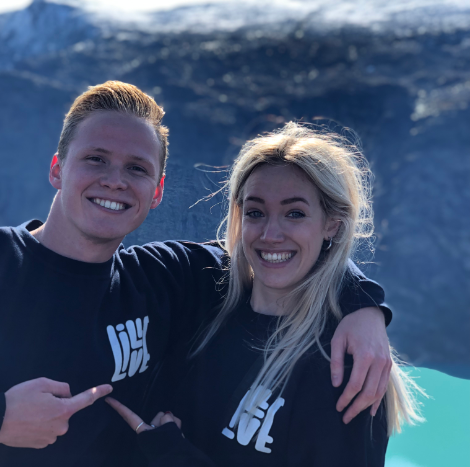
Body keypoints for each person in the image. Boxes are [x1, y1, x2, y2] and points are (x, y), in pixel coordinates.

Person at [0, 83, 391, 467]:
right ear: (58, 167)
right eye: (96, 159)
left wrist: (361, 304)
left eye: (137, 169)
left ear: (155, 191)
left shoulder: (168, 279)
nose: (115, 181)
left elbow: (272, 248)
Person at [107, 122, 423, 466]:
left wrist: (174, 456)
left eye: (295, 213)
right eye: (256, 212)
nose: (271, 234)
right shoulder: (203, 297)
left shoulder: (343, 363)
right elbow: (90, 269)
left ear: (332, 223)